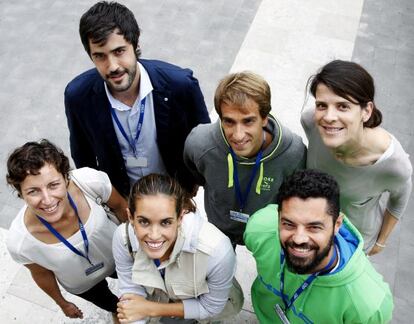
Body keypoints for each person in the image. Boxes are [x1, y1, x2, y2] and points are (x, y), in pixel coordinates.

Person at [65, 1, 210, 198]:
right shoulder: (78, 97)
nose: (112, 66)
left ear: (135, 45)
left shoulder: (180, 85)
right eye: (100, 56)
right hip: (122, 201)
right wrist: (109, 202)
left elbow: (203, 143)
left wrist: (190, 186)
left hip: (176, 195)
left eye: (119, 51)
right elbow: (83, 157)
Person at [245, 169, 393, 323]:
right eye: (288, 224)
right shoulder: (259, 229)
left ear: (337, 225)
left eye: (314, 227)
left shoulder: (367, 306)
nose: (299, 238)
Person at [6, 139, 128, 322]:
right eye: (33, 191)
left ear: (66, 178)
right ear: (20, 193)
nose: (47, 200)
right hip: (83, 284)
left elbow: (121, 207)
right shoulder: (20, 242)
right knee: (111, 304)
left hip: (120, 257)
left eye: (53, 185)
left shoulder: (90, 181)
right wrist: (62, 303)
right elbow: (41, 274)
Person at [301, 60, 412, 254]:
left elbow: (399, 200)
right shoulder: (311, 123)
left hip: (352, 239)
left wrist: (380, 242)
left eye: (342, 106)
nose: (328, 117)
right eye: (322, 105)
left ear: (366, 111)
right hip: (313, 226)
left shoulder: (394, 165)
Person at [184, 71, 306, 245]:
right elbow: (195, 173)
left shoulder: (293, 153)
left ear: (264, 118)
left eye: (248, 121)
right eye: (229, 122)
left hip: (266, 235)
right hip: (219, 228)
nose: (238, 135)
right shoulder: (200, 143)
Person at [112, 174, 243, 323]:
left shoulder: (216, 251)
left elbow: (211, 307)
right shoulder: (123, 239)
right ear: (130, 217)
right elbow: (131, 292)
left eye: (166, 222)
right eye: (144, 222)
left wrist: (150, 308)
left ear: (180, 217)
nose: (154, 236)